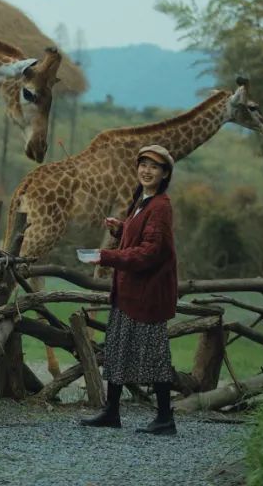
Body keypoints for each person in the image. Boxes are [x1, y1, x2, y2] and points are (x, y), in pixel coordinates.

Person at [79, 144, 178, 435]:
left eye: (154, 166)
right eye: (143, 164)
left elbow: (150, 251)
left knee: (155, 354)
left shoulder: (161, 206)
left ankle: (164, 418)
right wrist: (121, 230)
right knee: (118, 349)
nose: (146, 170)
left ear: (165, 174)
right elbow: (140, 236)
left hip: (148, 294)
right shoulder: (142, 200)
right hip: (129, 292)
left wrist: (106, 256)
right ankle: (112, 412)